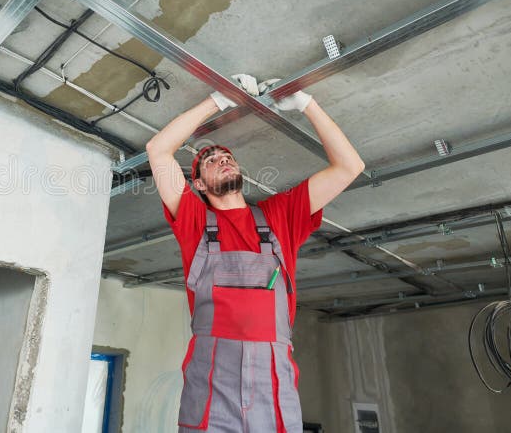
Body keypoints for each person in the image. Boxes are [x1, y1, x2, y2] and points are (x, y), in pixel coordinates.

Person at [145, 75, 365, 433]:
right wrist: (217, 100)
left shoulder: (280, 216)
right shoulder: (195, 222)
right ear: (197, 184)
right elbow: (158, 149)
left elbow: (350, 167)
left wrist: (306, 103)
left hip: (273, 379)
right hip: (212, 377)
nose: (223, 160)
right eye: (211, 160)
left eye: (227, 156)